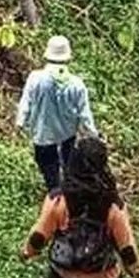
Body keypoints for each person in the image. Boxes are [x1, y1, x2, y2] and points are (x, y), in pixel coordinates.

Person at [19, 137, 139, 278]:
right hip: (103, 276)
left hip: (64, 274)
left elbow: (40, 235)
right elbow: (127, 248)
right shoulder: (113, 206)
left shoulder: (58, 199)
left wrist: (27, 253)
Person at [16, 36, 97, 190]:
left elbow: (25, 103)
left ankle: (54, 194)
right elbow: (84, 114)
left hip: (42, 134)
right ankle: (68, 192)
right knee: (68, 165)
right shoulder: (77, 83)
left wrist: (20, 123)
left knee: (48, 167)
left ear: (48, 55)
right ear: (68, 57)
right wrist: (94, 135)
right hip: (67, 134)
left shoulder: (35, 78)